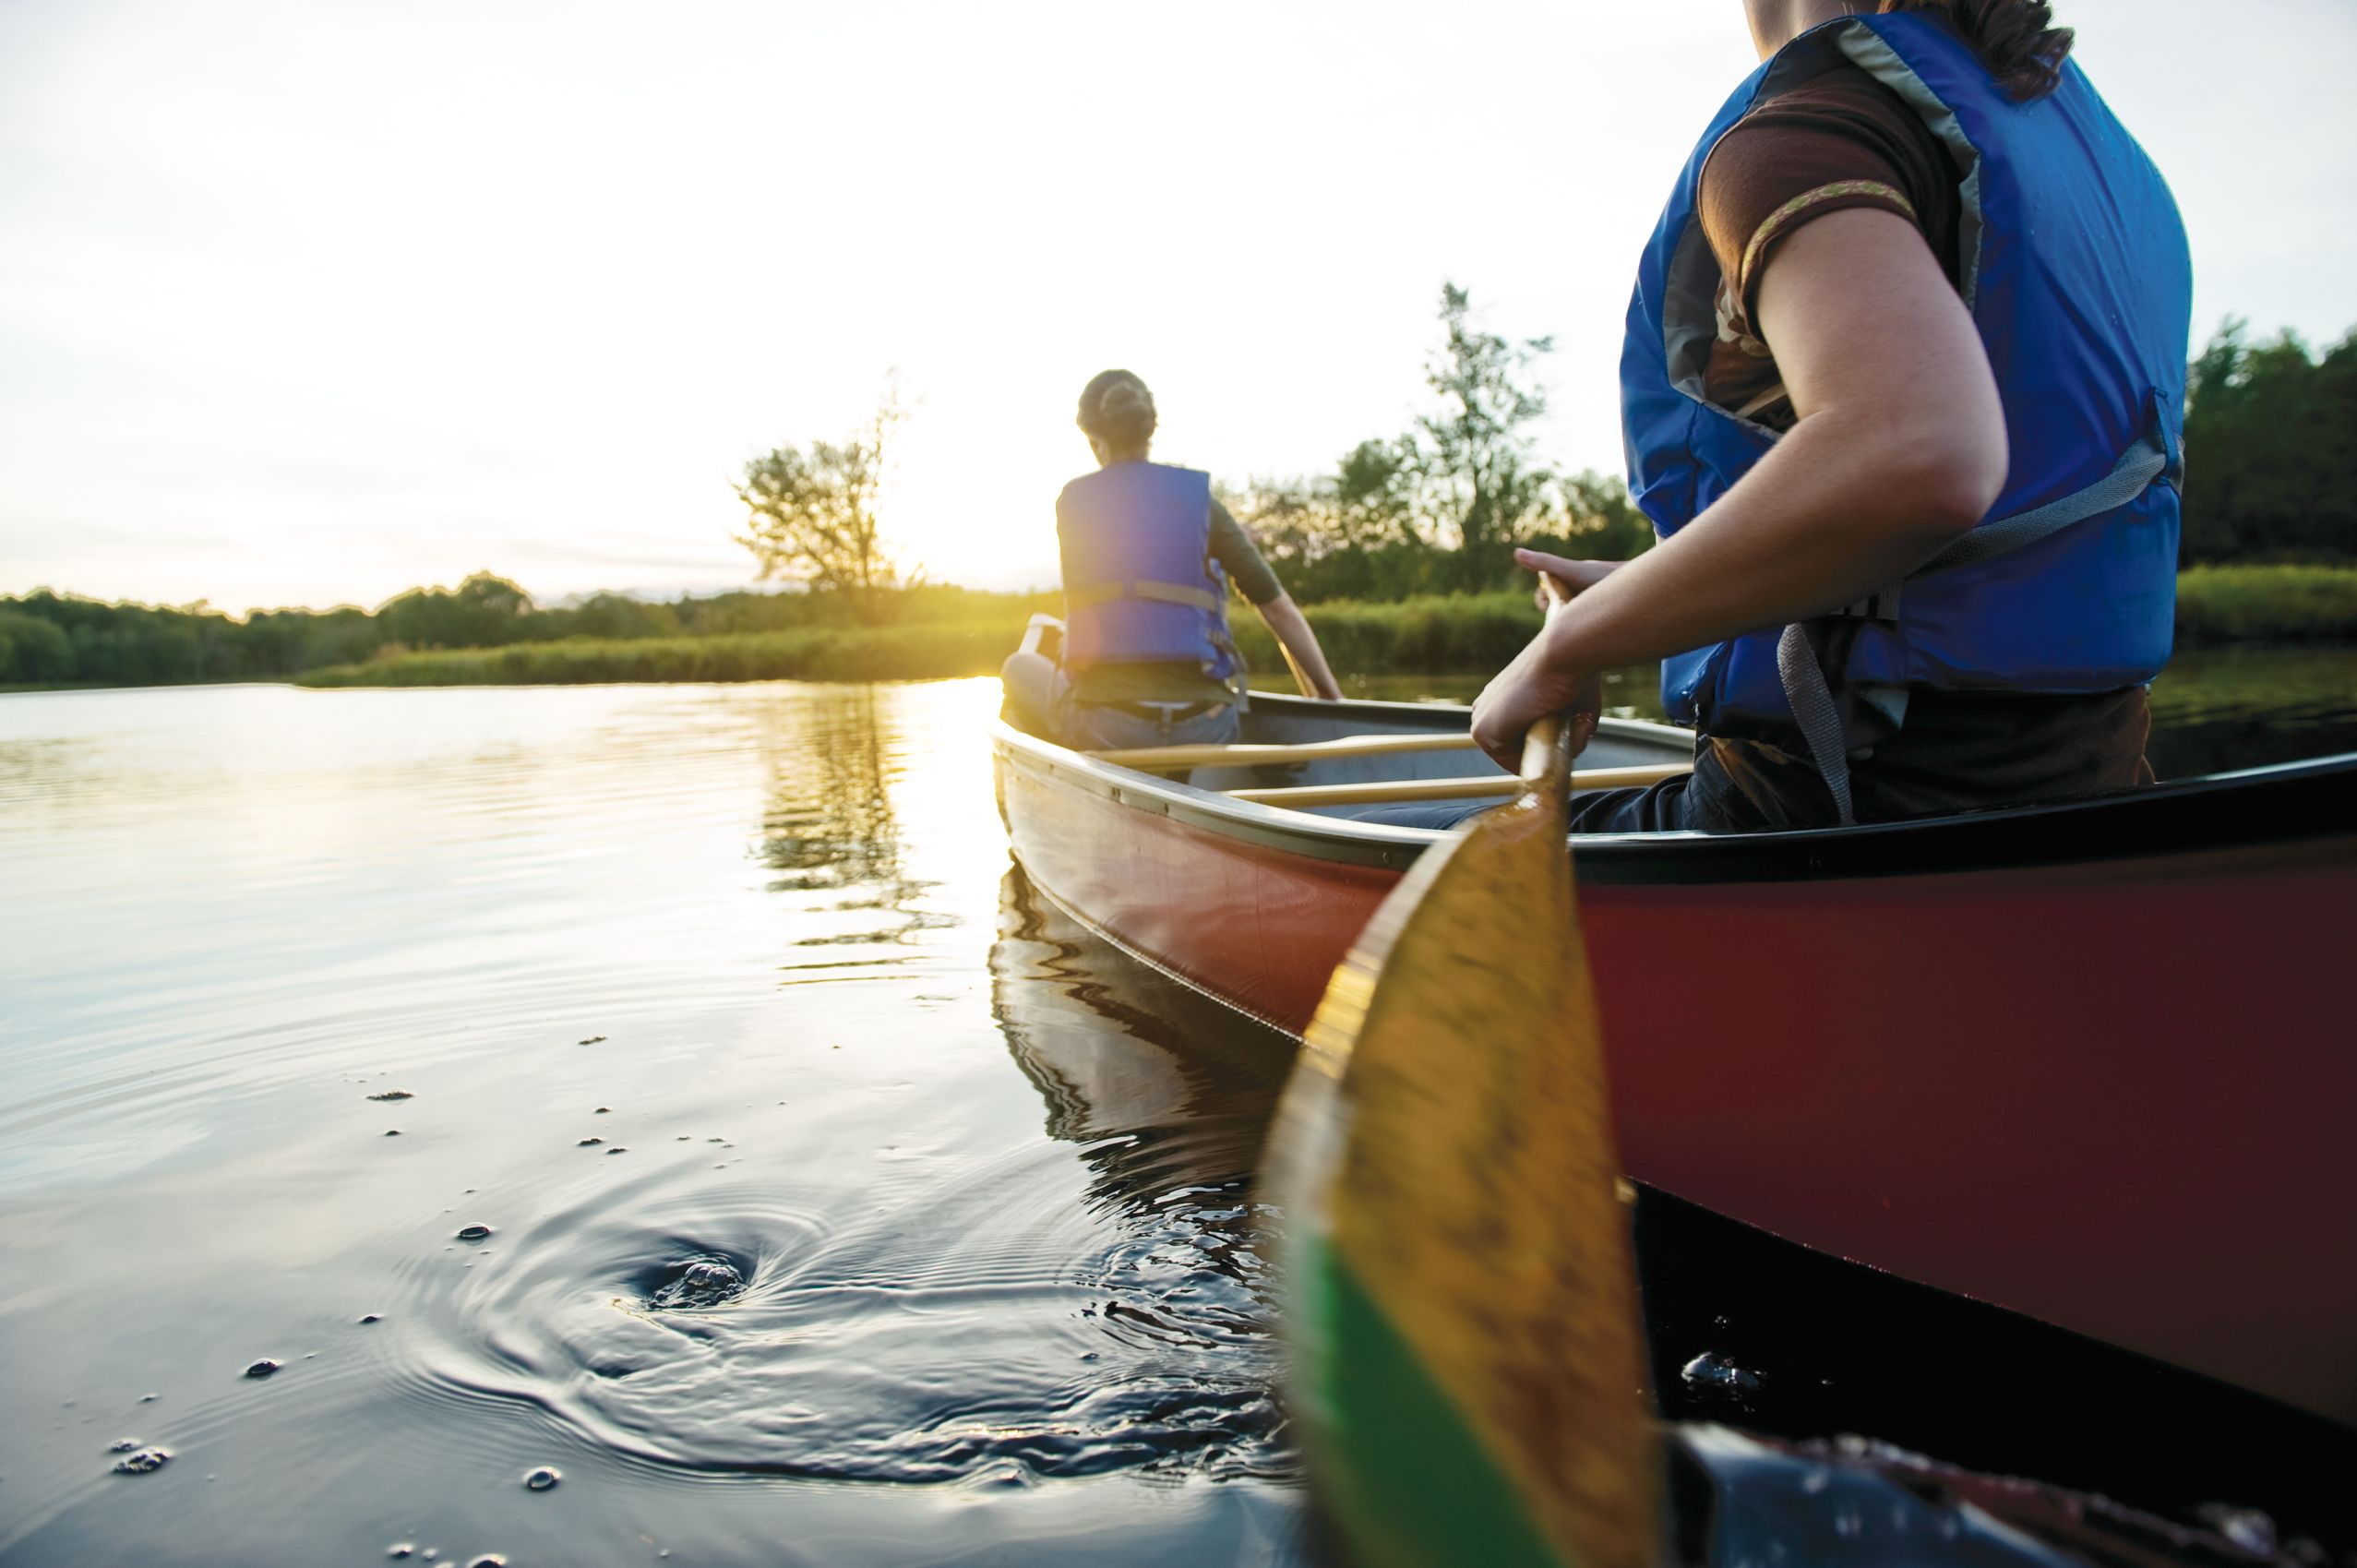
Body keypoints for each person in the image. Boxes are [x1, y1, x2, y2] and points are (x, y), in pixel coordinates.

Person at [1456, 0, 2191, 833]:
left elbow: (1915, 455)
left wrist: (1570, 643)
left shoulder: (1797, 140)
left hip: (1850, 799)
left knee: (1428, 851)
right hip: (2098, 777)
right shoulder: (2075, 149)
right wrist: (1648, 597)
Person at [1001, 369, 1341, 751]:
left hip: (1110, 727)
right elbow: (1279, 611)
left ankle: (1068, 781)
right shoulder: (1203, 507)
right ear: (1151, 430)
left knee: (1017, 667)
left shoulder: (1075, 507)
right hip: (1207, 725)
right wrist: (1332, 700)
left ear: (1093, 438)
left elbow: (1133, 560)